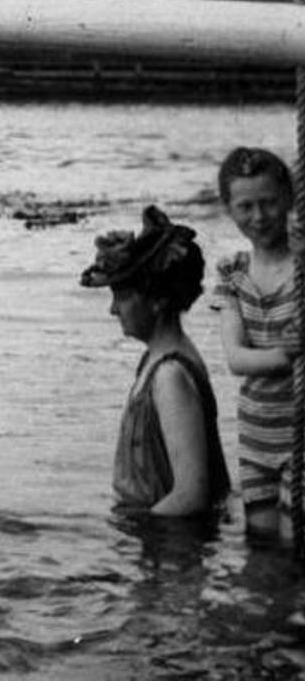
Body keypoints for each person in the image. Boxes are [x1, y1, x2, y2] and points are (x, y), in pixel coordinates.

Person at [81, 205, 230, 518]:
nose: (113, 310)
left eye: (122, 296)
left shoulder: (170, 376)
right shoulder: (155, 360)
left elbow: (191, 494)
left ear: (158, 300)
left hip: (170, 548)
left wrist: (128, 534)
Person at [213, 146, 302, 539]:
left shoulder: (300, 267)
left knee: (294, 543)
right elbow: (235, 359)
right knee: (261, 545)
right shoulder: (234, 273)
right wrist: (286, 354)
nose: (259, 217)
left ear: (289, 199)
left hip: (299, 433)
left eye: (268, 203)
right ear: (229, 209)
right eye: (245, 206)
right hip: (255, 436)